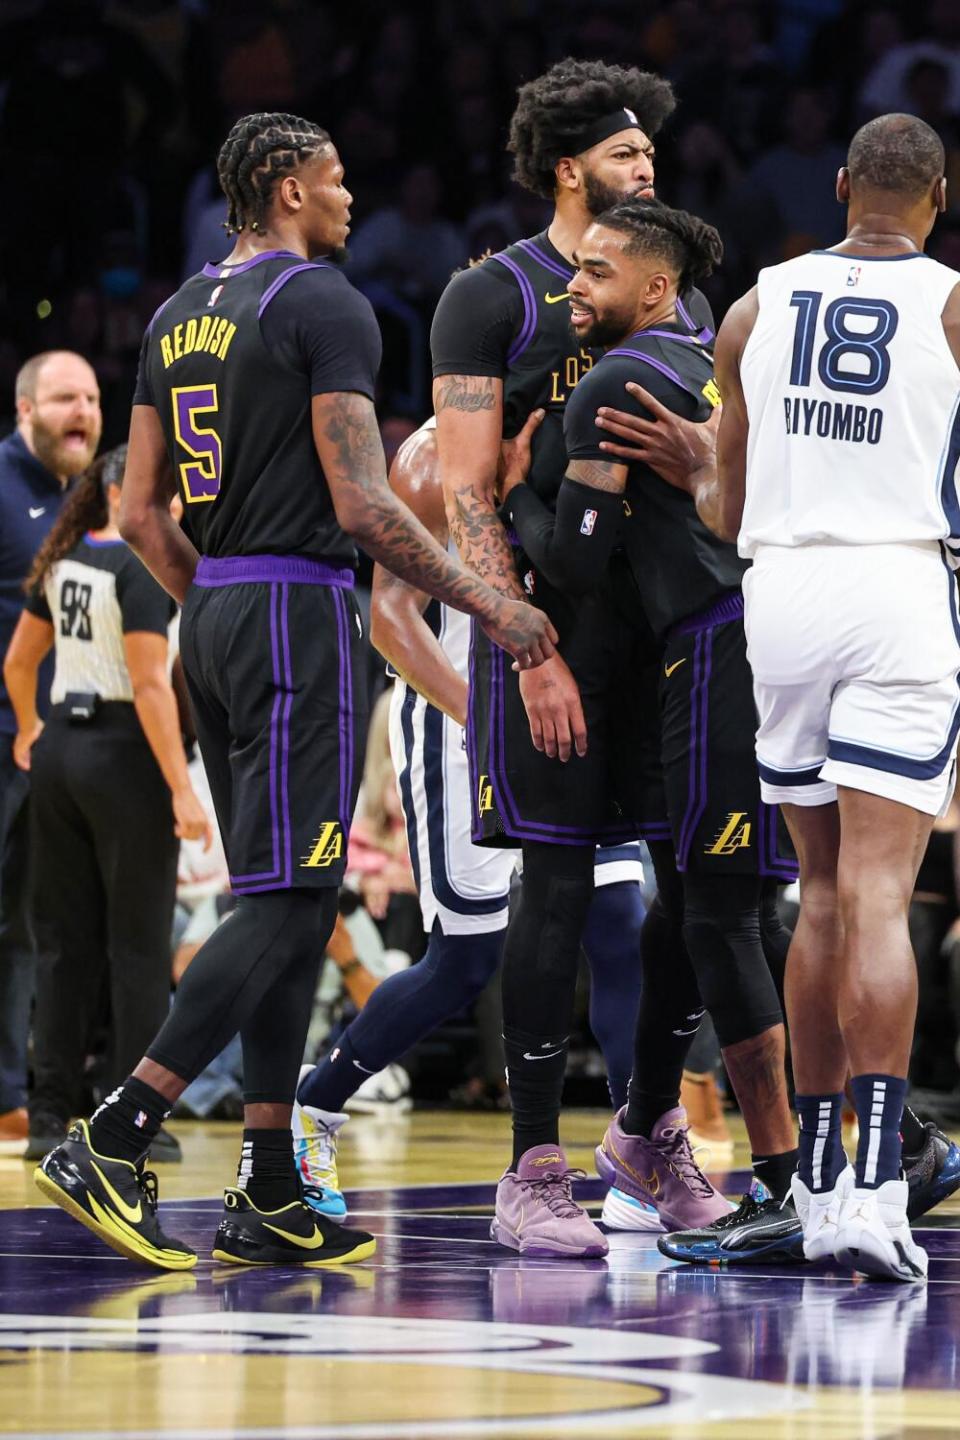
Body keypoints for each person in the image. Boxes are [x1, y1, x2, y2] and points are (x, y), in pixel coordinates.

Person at [35, 110, 556, 1274]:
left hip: (216, 605)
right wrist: (497, 608)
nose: (349, 199)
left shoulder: (174, 314)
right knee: (286, 901)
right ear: (282, 190)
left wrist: (213, 593)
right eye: (331, 181)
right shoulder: (324, 304)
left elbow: (137, 514)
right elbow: (369, 508)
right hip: (288, 612)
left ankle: (269, 1183)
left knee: (293, 896)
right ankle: (117, 1132)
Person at [431, 58, 729, 1258]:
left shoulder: (671, 297)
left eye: (652, 151)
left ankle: (649, 1134)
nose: (646, 164)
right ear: (569, 167)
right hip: (547, 630)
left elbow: (713, 452)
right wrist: (524, 638)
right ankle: (531, 1171)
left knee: (689, 888)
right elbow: (462, 491)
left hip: (660, 635)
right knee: (552, 892)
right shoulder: (488, 298)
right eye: (624, 152)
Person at [657, 113, 960, 1281]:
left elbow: (724, 515)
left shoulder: (752, 308)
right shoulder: (951, 302)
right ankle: (881, 1187)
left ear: (841, 190)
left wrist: (699, 469)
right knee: (883, 891)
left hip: (779, 598)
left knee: (820, 890)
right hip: (894, 583)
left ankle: (822, 1185)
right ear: (936, 196)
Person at [498, 196, 801, 1247]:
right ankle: (646, 1132)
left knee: (723, 914)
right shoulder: (715, 362)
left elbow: (573, 561)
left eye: (596, 271)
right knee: (725, 903)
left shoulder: (622, 379)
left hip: (712, 647)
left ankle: (786, 1174)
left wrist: (509, 501)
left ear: (657, 286)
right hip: (763, 634)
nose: (573, 286)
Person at [293, 418, 648, 1221]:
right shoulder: (428, 456)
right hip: (457, 717)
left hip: (575, 710)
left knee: (621, 921)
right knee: (464, 961)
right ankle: (312, 1109)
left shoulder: (588, 418)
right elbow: (388, 618)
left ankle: (640, 1154)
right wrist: (481, 720)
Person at [3, 445, 212, 1162]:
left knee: (63, 945)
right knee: (138, 948)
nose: (177, 511)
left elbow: (18, 663)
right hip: (125, 756)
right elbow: (153, 686)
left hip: (60, 753)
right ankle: (132, 1119)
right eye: (171, 497)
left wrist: (33, 730)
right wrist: (183, 791)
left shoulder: (66, 557)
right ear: (135, 495)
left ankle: (50, 1116)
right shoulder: (140, 562)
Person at [0, 351, 101, 1152]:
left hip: (60, 746)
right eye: (65, 398)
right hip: (6, 733)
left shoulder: (91, 499)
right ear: (24, 406)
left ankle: (18, 1090)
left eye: (94, 398)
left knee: (37, 927)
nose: (83, 411)